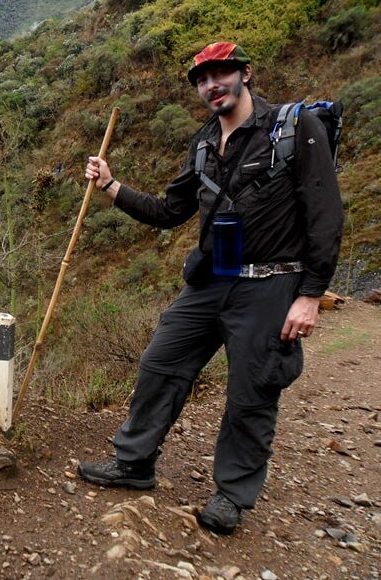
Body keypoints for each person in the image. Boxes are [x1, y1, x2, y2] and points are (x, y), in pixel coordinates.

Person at [79, 41, 343, 535]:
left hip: (271, 284)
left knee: (252, 392)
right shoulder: (203, 144)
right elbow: (168, 211)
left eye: (219, 74)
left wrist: (310, 294)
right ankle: (134, 465)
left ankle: (231, 496)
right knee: (160, 362)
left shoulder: (293, 128)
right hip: (209, 281)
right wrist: (112, 187)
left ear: (245, 73)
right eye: (201, 80)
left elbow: (325, 213)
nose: (210, 86)